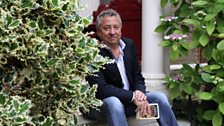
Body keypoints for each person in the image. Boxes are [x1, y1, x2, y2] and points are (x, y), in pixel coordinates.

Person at [85, 9, 179, 126]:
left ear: (121, 29)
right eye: (107, 28)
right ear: (99, 32)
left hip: (128, 101)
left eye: (116, 27)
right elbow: (101, 89)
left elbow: (137, 76)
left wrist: (139, 93)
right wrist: (132, 96)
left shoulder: (128, 45)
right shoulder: (92, 53)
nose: (112, 32)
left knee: (159, 98)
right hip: (100, 106)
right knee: (114, 102)